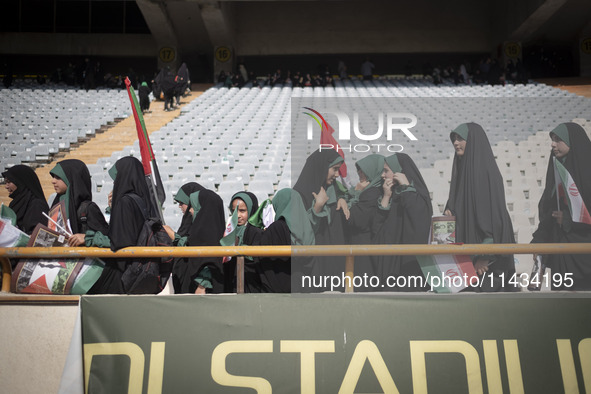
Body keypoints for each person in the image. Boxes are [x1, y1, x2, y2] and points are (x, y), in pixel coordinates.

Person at [444, 123, 517, 292]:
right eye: (454, 139)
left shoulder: (485, 174)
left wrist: (485, 256)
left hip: (486, 264)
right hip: (468, 261)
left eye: (461, 138)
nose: (456, 143)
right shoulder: (462, 175)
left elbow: (494, 221)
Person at [531, 123, 591, 290]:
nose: (553, 144)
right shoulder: (557, 170)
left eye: (558, 140)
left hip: (585, 258)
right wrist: (539, 240)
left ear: (572, 141)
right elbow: (548, 212)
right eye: (552, 140)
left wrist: (570, 220)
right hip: (561, 256)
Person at [88, 156, 155, 294]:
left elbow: (119, 241)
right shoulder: (140, 200)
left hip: (122, 273)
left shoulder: (125, 202)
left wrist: (88, 238)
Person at [372, 153, 432, 291]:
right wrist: (386, 197)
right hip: (388, 263)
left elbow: (419, 219)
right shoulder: (389, 193)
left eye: (386, 170)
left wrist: (406, 188)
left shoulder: (416, 194)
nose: (383, 175)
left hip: (408, 264)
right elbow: (377, 226)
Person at [293, 149, 348, 292]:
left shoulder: (334, 189)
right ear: (322, 167)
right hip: (313, 263)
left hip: (335, 260)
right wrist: (317, 208)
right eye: (334, 169)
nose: (337, 175)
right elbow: (301, 233)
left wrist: (342, 198)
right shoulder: (300, 194)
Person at [169, 187, 226, 294]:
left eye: (194, 207)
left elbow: (210, 262)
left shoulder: (207, 236)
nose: (190, 210)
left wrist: (202, 285)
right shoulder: (200, 232)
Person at [344, 154, 385, 287]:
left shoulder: (372, 193)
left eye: (363, 170)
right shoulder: (369, 190)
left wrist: (356, 193)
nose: (360, 173)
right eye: (359, 170)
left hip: (365, 247)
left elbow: (355, 218)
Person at [49, 159, 109, 247]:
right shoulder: (56, 205)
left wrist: (86, 238)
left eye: (58, 177)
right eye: (53, 177)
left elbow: (106, 238)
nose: (53, 181)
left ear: (71, 178)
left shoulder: (88, 209)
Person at [222, 191, 264, 292]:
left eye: (242, 211)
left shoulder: (256, 232)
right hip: (231, 280)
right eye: (234, 211)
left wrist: (240, 248)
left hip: (250, 284)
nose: (238, 215)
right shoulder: (230, 229)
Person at [2, 165, 48, 235]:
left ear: (21, 182)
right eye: (6, 182)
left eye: (9, 182)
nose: (6, 186)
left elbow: (39, 235)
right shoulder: (15, 204)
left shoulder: (37, 205)